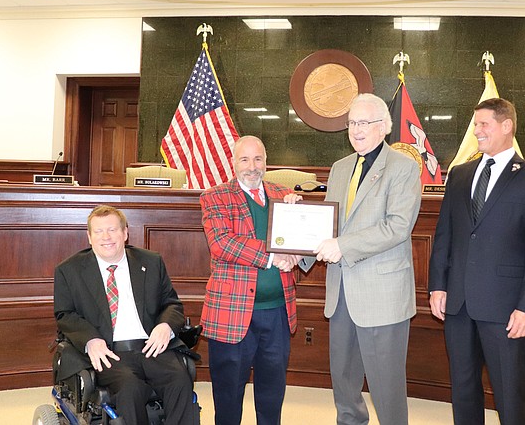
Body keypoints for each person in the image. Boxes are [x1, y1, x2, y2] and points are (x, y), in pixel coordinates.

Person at [429, 97, 525, 425]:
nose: (477, 131)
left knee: (510, 393)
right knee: (463, 388)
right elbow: (445, 235)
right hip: (457, 305)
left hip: (506, 308)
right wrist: (438, 286)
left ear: (506, 126)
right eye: (476, 125)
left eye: (483, 124)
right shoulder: (459, 174)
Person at [314, 93, 422, 425]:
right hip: (341, 293)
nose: (356, 130)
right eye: (351, 123)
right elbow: (329, 226)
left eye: (364, 122)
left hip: (383, 295)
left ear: (383, 126)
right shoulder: (339, 168)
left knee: (386, 388)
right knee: (344, 385)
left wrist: (343, 246)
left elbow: (398, 226)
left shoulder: (403, 167)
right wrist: (299, 252)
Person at [200, 135, 309, 425]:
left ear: (266, 162)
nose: (252, 166)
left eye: (258, 159)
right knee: (228, 398)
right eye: (244, 159)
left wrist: (299, 249)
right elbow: (221, 244)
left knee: (272, 395)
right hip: (232, 314)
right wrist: (273, 257)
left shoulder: (284, 193)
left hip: (277, 314)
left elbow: (302, 241)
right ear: (233, 163)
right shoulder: (215, 196)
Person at [54, 204, 195, 425]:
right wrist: (90, 339)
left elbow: (172, 304)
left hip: (151, 345)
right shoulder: (69, 270)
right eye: (99, 232)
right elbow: (65, 314)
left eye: (112, 230)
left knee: (180, 381)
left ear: (125, 233)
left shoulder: (150, 261)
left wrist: (165, 326)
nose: (106, 237)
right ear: (89, 237)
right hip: (110, 352)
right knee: (131, 388)